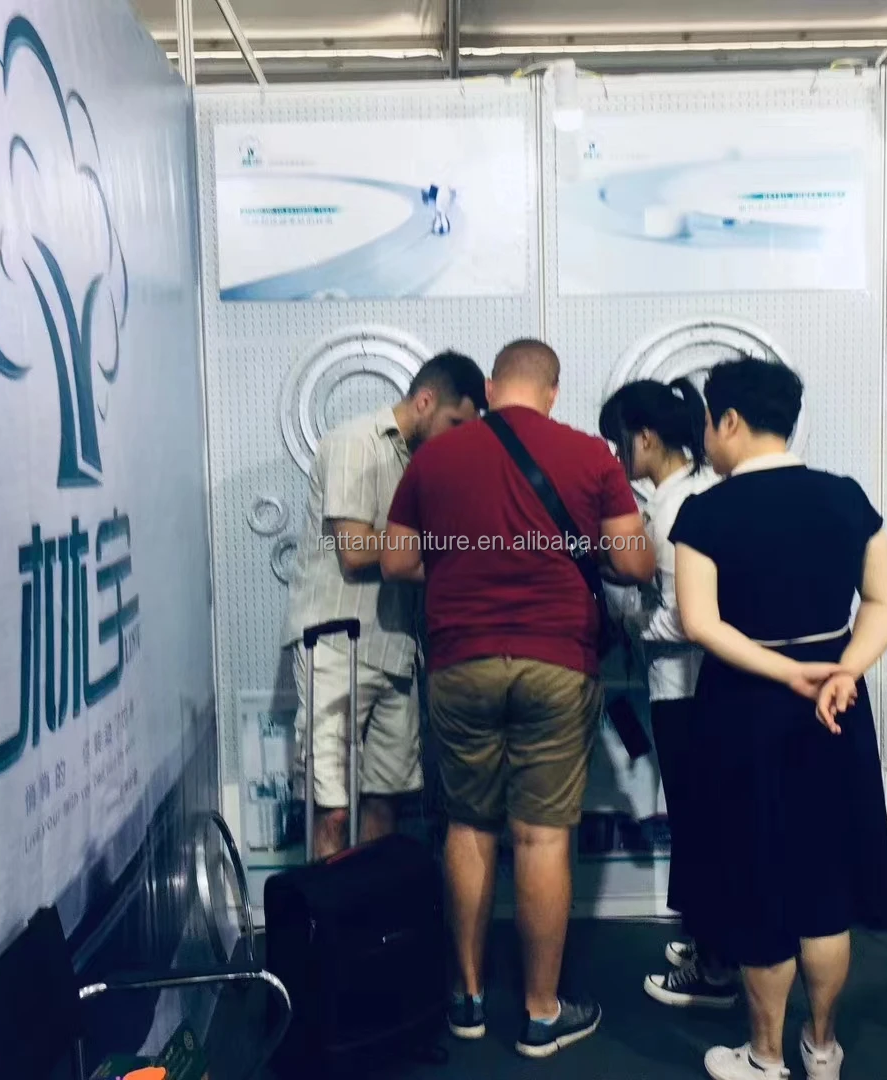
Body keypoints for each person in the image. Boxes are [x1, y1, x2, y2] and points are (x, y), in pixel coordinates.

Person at [381, 339, 654, 1059]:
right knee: (541, 836)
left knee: (468, 827)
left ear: (493, 386)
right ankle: (540, 1012)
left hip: (460, 660)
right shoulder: (592, 455)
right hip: (557, 660)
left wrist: (464, 560)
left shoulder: (433, 457)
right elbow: (633, 562)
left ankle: (466, 999)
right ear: (553, 392)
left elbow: (398, 560)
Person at [670, 358, 887, 1080]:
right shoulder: (844, 496)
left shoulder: (705, 511)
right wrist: (843, 671)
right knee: (824, 886)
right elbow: (886, 599)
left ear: (729, 421)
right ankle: (822, 1048)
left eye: (708, 424)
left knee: (758, 880)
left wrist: (787, 674)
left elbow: (699, 623)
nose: (706, 439)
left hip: (743, 710)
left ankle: (764, 1057)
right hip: (836, 709)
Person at [284, 350, 487, 859]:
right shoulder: (356, 441)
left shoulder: (429, 463)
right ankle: (330, 913)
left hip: (397, 649)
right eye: (455, 423)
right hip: (336, 644)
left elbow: (421, 557)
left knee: (386, 801)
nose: (459, 437)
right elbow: (353, 550)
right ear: (425, 401)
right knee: (332, 807)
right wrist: (443, 547)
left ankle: (372, 910)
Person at [597, 378, 739, 1011]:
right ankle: (711, 941)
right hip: (696, 690)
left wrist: (624, 612)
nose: (617, 455)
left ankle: (716, 968)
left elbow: (685, 618)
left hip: (689, 690)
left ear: (646, 437)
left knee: (702, 826)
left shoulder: (679, 506)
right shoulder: (692, 494)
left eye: (619, 441)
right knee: (704, 823)